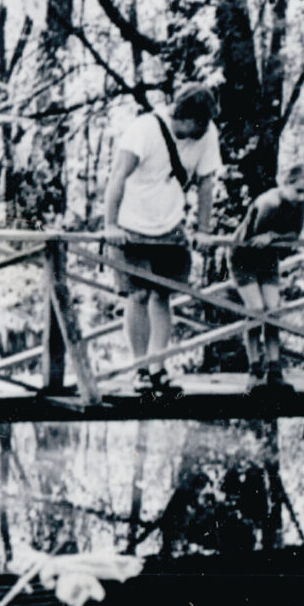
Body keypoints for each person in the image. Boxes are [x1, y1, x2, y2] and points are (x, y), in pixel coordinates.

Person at [100, 86, 221, 398]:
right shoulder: (144, 129)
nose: (204, 130)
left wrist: (204, 229)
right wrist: (110, 224)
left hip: (170, 225)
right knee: (137, 295)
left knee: (163, 296)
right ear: (184, 117)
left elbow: (206, 183)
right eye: (199, 124)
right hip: (131, 225)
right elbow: (117, 176)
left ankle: (158, 368)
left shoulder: (207, 134)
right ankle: (141, 369)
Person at [219, 161, 304, 392]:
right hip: (243, 257)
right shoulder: (269, 203)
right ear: (286, 183)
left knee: (273, 311)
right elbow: (254, 239)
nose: (303, 197)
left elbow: (295, 234)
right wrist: (270, 236)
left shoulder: (302, 204)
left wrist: (273, 236)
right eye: (298, 191)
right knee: (257, 310)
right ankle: (254, 372)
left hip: (268, 257)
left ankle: (275, 370)